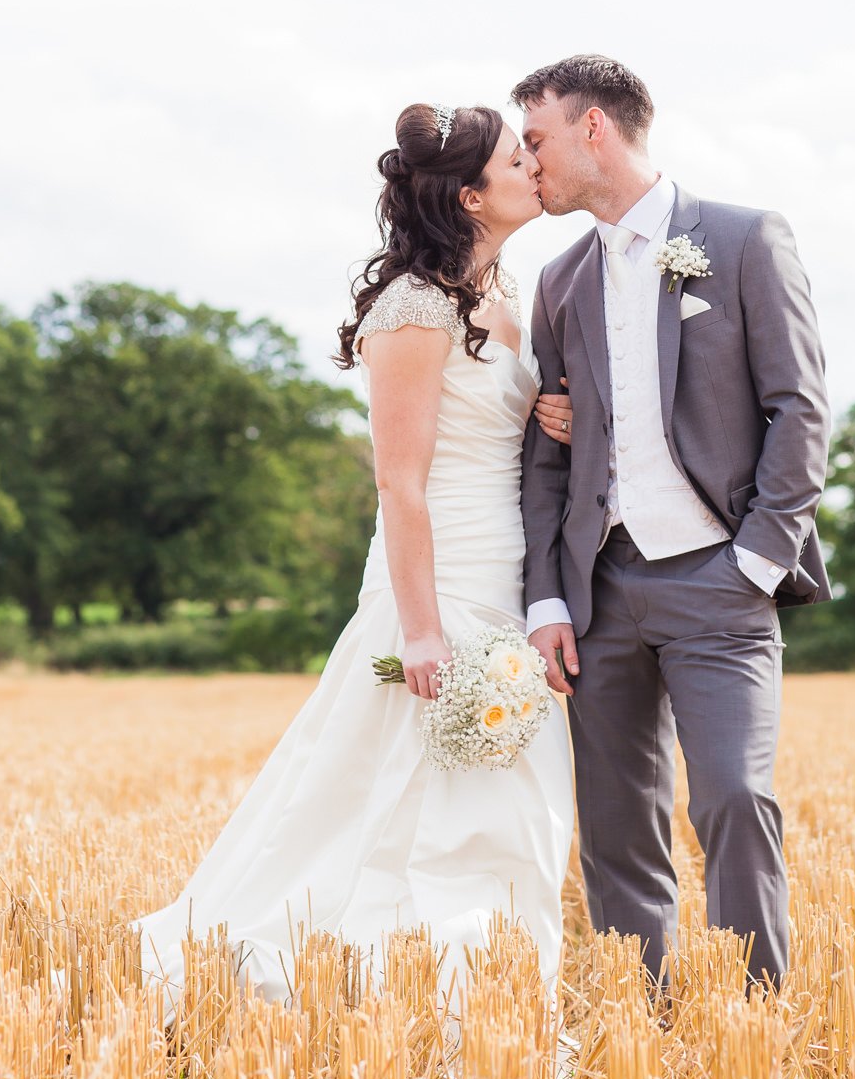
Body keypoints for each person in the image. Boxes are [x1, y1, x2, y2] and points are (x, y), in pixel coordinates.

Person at [126, 102, 575, 1028]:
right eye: (512, 157)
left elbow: (495, 426)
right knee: (395, 796)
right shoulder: (411, 307)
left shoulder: (507, 295)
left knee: (508, 800)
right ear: (469, 194)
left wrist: (547, 417)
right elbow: (400, 484)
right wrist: (418, 631)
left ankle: (492, 1000)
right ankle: (384, 988)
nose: (533, 165)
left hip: (510, 575)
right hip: (438, 584)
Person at [514, 55, 832, 999]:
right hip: (599, 590)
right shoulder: (559, 281)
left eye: (537, 141)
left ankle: (752, 1018)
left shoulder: (740, 241)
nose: (529, 164)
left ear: (594, 128)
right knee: (616, 825)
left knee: (735, 797)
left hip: (721, 580)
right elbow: (549, 454)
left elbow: (799, 408)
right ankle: (641, 1024)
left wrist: (759, 559)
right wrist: (545, 598)